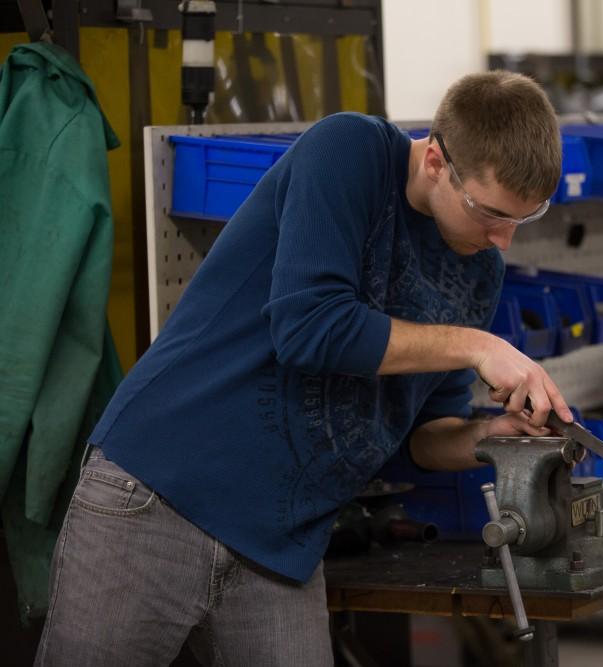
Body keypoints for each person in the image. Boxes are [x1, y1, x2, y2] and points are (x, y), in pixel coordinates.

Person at [35, 70, 573, 666]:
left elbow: (421, 439)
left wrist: (485, 437)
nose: (502, 241)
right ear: (436, 163)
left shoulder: (478, 271)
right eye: (489, 212)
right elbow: (310, 327)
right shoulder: (351, 152)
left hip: (282, 545)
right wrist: (478, 346)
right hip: (159, 500)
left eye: (521, 220)